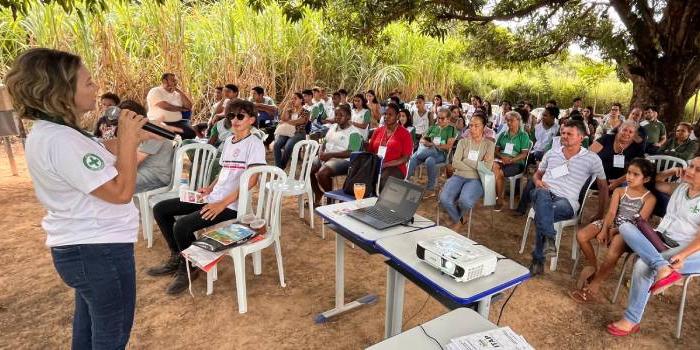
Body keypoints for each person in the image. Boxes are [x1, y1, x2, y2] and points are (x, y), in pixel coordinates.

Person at [6, 48, 148, 348]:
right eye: (87, 83)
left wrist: (133, 137)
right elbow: (121, 192)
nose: (96, 87)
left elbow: (100, 152)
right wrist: (127, 141)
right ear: (59, 92)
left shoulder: (58, 133)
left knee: (89, 331)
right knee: (111, 336)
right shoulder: (61, 140)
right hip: (98, 251)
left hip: (88, 249)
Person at [148, 100, 266, 295]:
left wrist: (221, 203)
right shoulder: (229, 141)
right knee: (161, 209)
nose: (234, 120)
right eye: (231, 116)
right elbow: (224, 171)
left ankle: (190, 268)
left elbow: (251, 181)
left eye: (240, 116)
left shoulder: (255, 144)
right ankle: (178, 256)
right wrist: (209, 189)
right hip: (214, 198)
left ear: (251, 119)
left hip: (232, 204)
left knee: (182, 226)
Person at [606, 156, 700, 336]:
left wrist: (684, 254)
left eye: (697, 170)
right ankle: (662, 267)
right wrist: (671, 172)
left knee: (643, 265)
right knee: (626, 226)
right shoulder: (680, 188)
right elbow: (652, 182)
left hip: (690, 250)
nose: (689, 171)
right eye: (690, 166)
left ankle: (631, 320)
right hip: (661, 240)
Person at [524, 120, 609, 275]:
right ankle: (548, 240)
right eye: (563, 133)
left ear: (581, 137)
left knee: (544, 214)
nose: (564, 136)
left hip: (567, 201)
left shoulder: (592, 159)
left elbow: (603, 186)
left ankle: (538, 258)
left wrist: (601, 213)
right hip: (543, 192)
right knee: (542, 196)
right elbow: (537, 175)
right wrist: (537, 182)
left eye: (569, 134)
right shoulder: (552, 152)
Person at [569, 158, 657, 303]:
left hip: (630, 230)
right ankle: (592, 265)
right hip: (610, 223)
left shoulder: (649, 198)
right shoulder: (620, 190)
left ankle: (594, 286)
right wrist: (604, 229)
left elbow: (639, 222)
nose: (630, 177)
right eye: (629, 173)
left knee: (614, 248)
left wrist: (616, 231)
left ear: (646, 179)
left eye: (636, 175)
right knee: (582, 235)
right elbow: (610, 213)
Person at [102, 100, 177, 193]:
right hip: (143, 169)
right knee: (105, 176)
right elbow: (117, 145)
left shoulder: (153, 130)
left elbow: (134, 161)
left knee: (110, 182)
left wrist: (109, 171)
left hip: (157, 176)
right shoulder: (138, 129)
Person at [439, 113, 495, 233]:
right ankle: (460, 219)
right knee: (444, 199)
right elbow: (455, 163)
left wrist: (466, 160)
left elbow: (487, 168)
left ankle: (458, 219)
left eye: (476, 126)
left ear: (484, 127)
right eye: (470, 125)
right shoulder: (462, 142)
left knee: (465, 201)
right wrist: (478, 165)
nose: (472, 129)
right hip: (459, 176)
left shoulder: (489, 145)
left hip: (477, 179)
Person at [309, 104, 363, 203]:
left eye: (341, 115)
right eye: (336, 114)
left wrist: (330, 155)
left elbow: (351, 152)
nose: (337, 117)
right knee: (307, 169)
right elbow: (324, 142)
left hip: (343, 160)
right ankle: (318, 192)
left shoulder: (354, 133)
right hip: (325, 155)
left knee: (322, 174)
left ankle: (330, 198)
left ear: (348, 117)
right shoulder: (333, 127)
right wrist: (321, 152)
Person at [407, 108, 458, 196]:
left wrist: (433, 145)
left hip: (441, 154)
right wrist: (427, 143)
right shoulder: (432, 127)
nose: (439, 120)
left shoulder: (451, 130)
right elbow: (422, 140)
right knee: (428, 160)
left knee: (416, 157)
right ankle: (407, 180)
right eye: (438, 117)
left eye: (442, 118)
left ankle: (429, 187)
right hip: (427, 151)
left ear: (448, 119)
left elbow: (448, 146)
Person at [366, 103, 413, 190]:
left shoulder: (405, 133)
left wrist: (386, 164)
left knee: (383, 180)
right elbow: (370, 151)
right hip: (376, 164)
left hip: (395, 167)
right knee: (361, 178)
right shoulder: (377, 131)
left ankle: (381, 202)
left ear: (398, 116)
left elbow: (405, 158)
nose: (386, 117)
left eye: (390, 114)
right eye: (385, 114)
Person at [589, 121, 646, 192]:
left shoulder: (636, 147)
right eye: (624, 130)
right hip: (598, 178)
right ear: (619, 129)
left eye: (630, 132)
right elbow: (588, 154)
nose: (626, 133)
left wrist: (618, 181)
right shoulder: (607, 138)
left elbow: (639, 168)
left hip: (623, 182)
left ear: (634, 135)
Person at [493, 111, 531, 211]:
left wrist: (511, 160)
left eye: (511, 120)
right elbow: (496, 151)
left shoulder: (523, 136)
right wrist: (502, 157)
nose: (509, 123)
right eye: (507, 120)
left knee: (498, 172)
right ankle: (497, 196)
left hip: (516, 163)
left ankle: (499, 200)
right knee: (493, 167)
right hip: (501, 160)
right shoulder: (503, 135)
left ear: (518, 121)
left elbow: (524, 154)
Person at [146, 73, 195, 139]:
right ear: (164, 81)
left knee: (191, 133)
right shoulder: (155, 91)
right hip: (158, 122)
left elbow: (189, 106)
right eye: (173, 80)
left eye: (176, 80)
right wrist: (182, 109)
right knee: (167, 136)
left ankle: (181, 148)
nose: (175, 82)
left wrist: (179, 91)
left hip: (178, 122)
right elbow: (165, 106)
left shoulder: (177, 94)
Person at [274, 92, 309, 169]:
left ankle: (281, 168)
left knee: (288, 146)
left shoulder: (305, 111)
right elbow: (283, 118)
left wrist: (286, 122)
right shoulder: (290, 110)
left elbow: (299, 121)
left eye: (295, 98)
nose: (293, 100)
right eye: (292, 99)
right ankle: (278, 167)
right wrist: (286, 107)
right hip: (287, 131)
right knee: (276, 145)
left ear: (301, 100)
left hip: (299, 133)